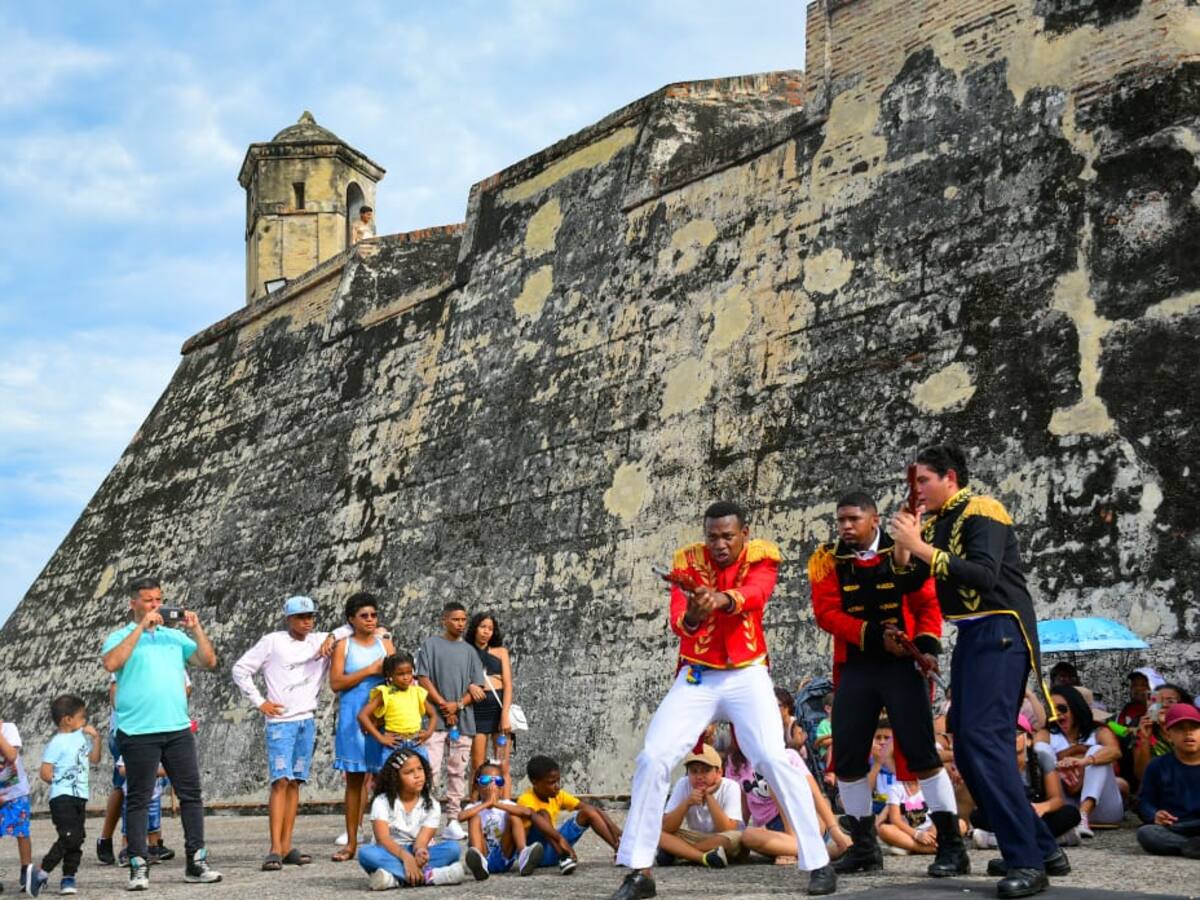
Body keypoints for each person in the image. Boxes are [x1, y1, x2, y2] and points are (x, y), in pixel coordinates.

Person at [611, 500, 835, 900]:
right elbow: (681, 621)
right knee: (654, 756)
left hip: (748, 674)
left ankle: (818, 861)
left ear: (743, 534)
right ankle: (639, 870)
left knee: (772, 757)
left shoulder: (762, 557)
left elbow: (756, 595)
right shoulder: (687, 563)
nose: (719, 544)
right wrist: (696, 613)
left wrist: (720, 599)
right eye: (712, 536)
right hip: (698, 675)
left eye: (728, 536)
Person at [890, 445, 1066, 898]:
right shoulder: (937, 522)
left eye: (924, 481)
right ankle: (1042, 847)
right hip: (971, 636)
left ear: (950, 477)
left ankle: (1027, 861)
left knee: (986, 743)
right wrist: (904, 549)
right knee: (966, 749)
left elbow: (984, 575)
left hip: (1001, 631)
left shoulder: (982, 509)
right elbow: (911, 582)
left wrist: (920, 546)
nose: (918, 491)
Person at [809, 489, 965, 877]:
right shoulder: (828, 560)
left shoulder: (904, 549)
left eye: (853, 520)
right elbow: (826, 613)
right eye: (841, 520)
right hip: (858, 664)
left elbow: (927, 604)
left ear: (873, 520)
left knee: (921, 754)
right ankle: (864, 848)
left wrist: (925, 646)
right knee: (846, 759)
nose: (845, 527)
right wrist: (874, 636)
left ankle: (951, 845)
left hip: (902, 666)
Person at [101, 575, 221, 890]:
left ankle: (196, 860)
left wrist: (195, 628)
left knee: (191, 795)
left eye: (158, 599)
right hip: (138, 731)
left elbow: (209, 661)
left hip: (177, 727)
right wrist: (141, 628)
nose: (156, 605)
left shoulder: (173, 637)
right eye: (148, 600)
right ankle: (138, 865)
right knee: (139, 798)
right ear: (133, 603)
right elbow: (111, 663)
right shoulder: (120, 636)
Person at [232, 594, 351, 870]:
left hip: (306, 721)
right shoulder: (273, 641)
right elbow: (240, 669)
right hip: (281, 722)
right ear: (289, 619)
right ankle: (274, 847)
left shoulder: (319, 639)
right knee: (280, 781)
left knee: (296, 781)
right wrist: (260, 702)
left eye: (310, 616)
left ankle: (287, 845)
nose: (307, 621)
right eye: (301, 617)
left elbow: (350, 627)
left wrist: (331, 637)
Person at [329, 591, 395, 862]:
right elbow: (336, 683)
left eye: (373, 615)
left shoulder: (385, 645)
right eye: (363, 616)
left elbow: (399, 678)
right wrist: (370, 671)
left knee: (386, 778)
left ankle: (388, 839)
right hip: (352, 717)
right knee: (355, 781)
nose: (370, 620)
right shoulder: (344, 645)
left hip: (382, 717)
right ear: (351, 620)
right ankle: (351, 842)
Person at [415, 602, 488, 840]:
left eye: (463, 620)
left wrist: (457, 705)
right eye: (456, 619)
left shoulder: (469, 651)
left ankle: (453, 819)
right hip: (434, 719)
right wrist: (444, 704)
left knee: (458, 770)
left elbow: (477, 686)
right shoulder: (431, 645)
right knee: (431, 770)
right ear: (444, 619)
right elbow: (423, 677)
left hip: (463, 720)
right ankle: (426, 818)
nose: (460, 624)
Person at [972, 715, 1080, 854]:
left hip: (1037, 812)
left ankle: (998, 840)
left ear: (1028, 740)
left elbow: (1057, 799)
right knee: (977, 816)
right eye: (1005, 734)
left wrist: (1043, 807)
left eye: (1016, 734)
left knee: (1071, 813)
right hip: (1008, 813)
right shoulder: (994, 762)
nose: (1011, 738)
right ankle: (1053, 839)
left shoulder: (1041, 757)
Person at [28, 695, 103, 894]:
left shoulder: (81, 737)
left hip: (80, 796)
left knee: (77, 838)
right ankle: (41, 872)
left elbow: (94, 759)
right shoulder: (56, 743)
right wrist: (62, 780)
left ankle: (68, 877)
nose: (85, 720)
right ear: (67, 719)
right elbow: (45, 772)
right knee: (69, 836)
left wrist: (96, 739)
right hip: (62, 797)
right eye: (82, 716)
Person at [358, 748, 465, 888]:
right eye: (409, 772)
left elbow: (421, 841)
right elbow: (383, 839)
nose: (417, 775)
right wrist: (406, 858)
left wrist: (420, 852)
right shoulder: (382, 802)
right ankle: (431, 876)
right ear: (395, 777)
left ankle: (394, 879)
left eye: (420, 769)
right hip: (391, 852)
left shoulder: (432, 804)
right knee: (366, 853)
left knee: (453, 849)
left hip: (415, 852)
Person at [518, 754, 622, 873]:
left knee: (587, 812)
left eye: (558, 781)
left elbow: (589, 808)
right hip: (537, 853)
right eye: (551, 782)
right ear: (534, 782)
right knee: (542, 815)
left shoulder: (557, 795)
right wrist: (564, 846)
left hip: (555, 844)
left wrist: (613, 828)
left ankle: (619, 849)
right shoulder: (526, 800)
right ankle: (563, 857)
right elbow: (544, 830)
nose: (557, 786)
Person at [1047, 685, 1124, 835]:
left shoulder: (1099, 731)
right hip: (1066, 806)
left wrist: (1085, 761)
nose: (1057, 714)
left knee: (1097, 750)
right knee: (1044, 751)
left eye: (1062, 709)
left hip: (1101, 808)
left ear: (1075, 708)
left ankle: (1083, 815)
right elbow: (1037, 752)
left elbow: (1115, 751)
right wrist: (1064, 762)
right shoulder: (1049, 734)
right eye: (1052, 709)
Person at [458, 759, 543, 880]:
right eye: (486, 780)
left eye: (498, 781)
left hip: (504, 855)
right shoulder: (474, 807)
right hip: (484, 855)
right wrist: (486, 804)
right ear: (477, 785)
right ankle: (479, 860)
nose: (492, 786)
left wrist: (496, 804)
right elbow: (461, 817)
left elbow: (527, 812)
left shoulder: (506, 804)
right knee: (474, 818)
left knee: (513, 815)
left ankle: (524, 854)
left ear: (502, 787)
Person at [1136, 703, 1200, 858]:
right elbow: (1144, 802)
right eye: (1180, 729)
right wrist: (1154, 815)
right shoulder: (1158, 765)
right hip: (1176, 826)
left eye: (1194, 728)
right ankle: (1188, 846)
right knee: (1146, 833)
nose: (1188, 733)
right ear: (1169, 735)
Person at [465, 613, 513, 798]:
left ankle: (506, 806)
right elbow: (459, 677)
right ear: (475, 628)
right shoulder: (465, 650)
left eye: (490, 628)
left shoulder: (501, 652)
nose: (486, 631)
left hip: (498, 708)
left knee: (503, 764)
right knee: (477, 764)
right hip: (476, 710)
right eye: (482, 627)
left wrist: (505, 714)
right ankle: (475, 806)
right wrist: (470, 685)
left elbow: (508, 684)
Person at [358, 652, 436, 760]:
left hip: (416, 742)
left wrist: (428, 733)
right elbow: (363, 715)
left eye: (409, 673)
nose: (406, 677)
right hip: (394, 744)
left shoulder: (417, 692)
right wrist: (380, 738)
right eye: (401, 674)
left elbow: (433, 714)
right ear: (390, 674)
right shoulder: (385, 693)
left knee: (422, 773)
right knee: (390, 775)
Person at [0, 717, 41, 896]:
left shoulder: (9, 729)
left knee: (22, 832)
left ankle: (27, 871)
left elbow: (11, 755)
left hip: (15, 793)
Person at [1133, 683, 1193, 781]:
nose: (1164, 705)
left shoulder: (1194, 731)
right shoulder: (1143, 733)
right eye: (1158, 701)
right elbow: (1142, 776)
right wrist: (1145, 739)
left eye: (1170, 701)